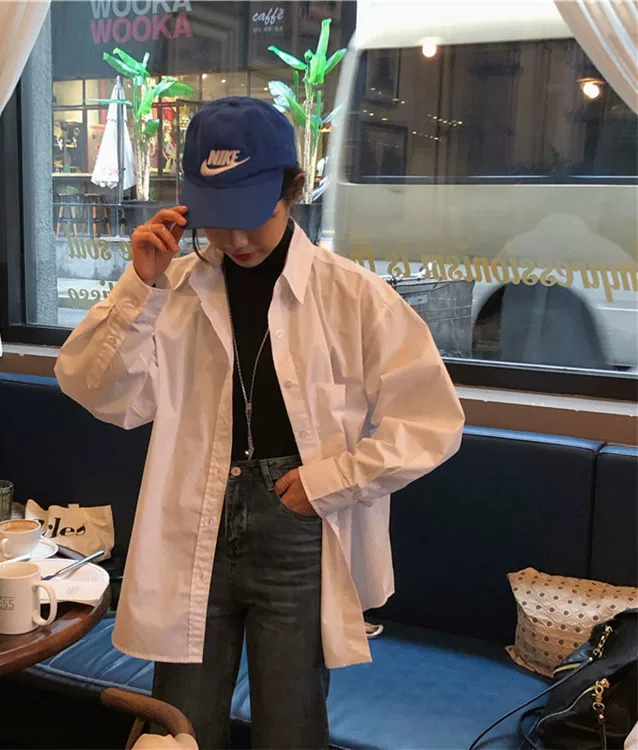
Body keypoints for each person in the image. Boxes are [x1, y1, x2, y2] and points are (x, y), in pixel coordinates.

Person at [55, 97, 465, 750]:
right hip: (193, 517)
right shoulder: (171, 291)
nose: (238, 240)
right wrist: (139, 285)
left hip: (298, 525)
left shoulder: (353, 296)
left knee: (291, 728)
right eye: (218, 221)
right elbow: (98, 390)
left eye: (253, 217)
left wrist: (334, 479)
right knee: (180, 723)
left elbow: (432, 420)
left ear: (292, 190)